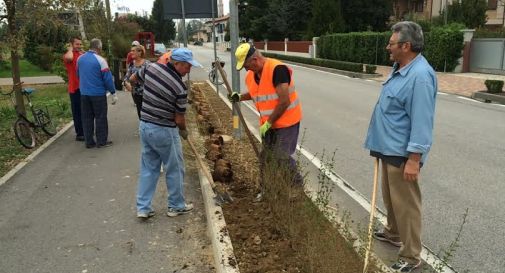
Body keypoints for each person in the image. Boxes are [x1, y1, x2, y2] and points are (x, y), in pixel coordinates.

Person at [364, 21, 437, 273]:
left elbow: (421, 121)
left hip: (402, 153)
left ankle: (411, 255)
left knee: (406, 204)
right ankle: (393, 232)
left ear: (406, 46)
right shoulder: (400, 69)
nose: (388, 47)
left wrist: (414, 159)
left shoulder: (420, 77)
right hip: (388, 147)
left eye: (392, 43)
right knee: (392, 198)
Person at [129, 48, 201, 219]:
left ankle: (143, 208)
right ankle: (176, 206)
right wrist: (183, 131)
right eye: (187, 66)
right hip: (164, 131)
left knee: (149, 168)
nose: (189, 70)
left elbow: (133, 79)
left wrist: (150, 93)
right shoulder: (180, 88)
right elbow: (179, 119)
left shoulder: (150, 68)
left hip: (145, 127)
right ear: (176, 63)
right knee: (175, 168)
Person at [231, 43, 303, 202]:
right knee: (266, 158)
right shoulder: (252, 75)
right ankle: (267, 190)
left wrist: (269, 123)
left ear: (255, 60)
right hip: (268, 124)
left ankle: (296, 188)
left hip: (286, 122)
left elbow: (284, 101)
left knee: (282, 156)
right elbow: (257, 92)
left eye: (247, 65)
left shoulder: (277, 70)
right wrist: (240, 97)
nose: (246, 69)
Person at [77, 38, 117, 149]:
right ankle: (101, 141)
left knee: (86, 118)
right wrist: (113, 92)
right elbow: (107, 79)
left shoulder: (80, 59)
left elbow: (78, 74)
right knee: (100, 117)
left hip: (84, 93)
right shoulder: (101, 60)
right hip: (98, 94)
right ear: (99, 47)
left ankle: (89, 142)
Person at [63, 37, 84, 141]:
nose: (79, 46)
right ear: (72, 44)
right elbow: (70, 58)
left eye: (80, 44)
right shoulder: (68, 55)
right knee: (77, 111)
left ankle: (86, 130)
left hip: (84, 87)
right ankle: (79, 133)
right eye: (77, 44)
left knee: (85, 110)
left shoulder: (81, 54)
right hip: (74, 88)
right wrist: (71, 49)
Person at [123, 45, 150, 118]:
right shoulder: (132, 64)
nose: (131, 53)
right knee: (140, 114)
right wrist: (126, 83)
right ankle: (143, 128)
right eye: (131, 51)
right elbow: (126, 77)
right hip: (136, 94)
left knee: (147, 114)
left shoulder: (147, 64)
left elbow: (152, 79)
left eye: (133, 51)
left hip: (147, 94)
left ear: (140, 52)